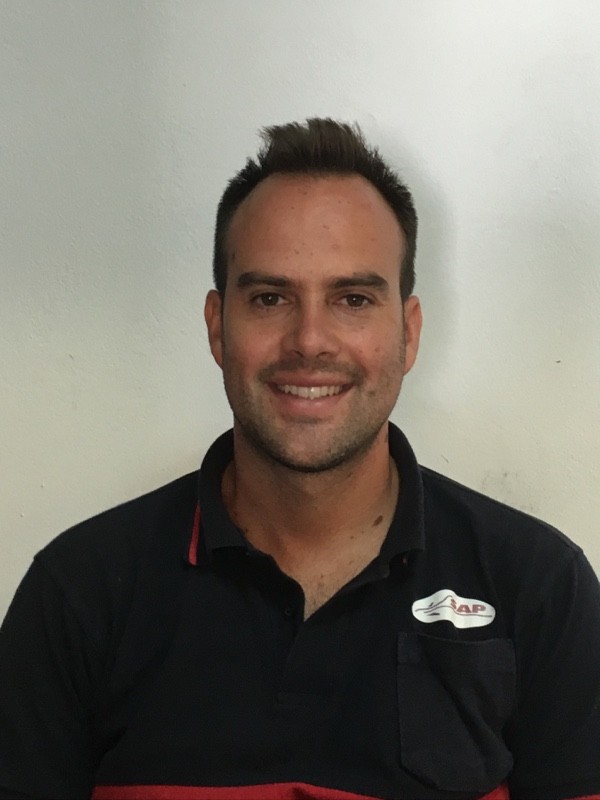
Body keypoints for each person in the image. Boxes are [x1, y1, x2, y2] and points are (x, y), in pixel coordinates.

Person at [1, 118, 599, 800]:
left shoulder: (540, 588)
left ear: (407, 334)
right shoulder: (79, 593)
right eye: (269, 298)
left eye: (352, 299)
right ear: (217, 327)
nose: (310, 340)